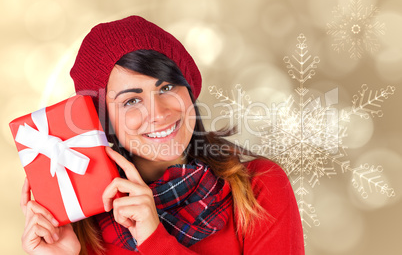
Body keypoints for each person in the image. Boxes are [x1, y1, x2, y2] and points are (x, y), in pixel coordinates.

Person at [20, 15, 304, 254]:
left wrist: (154, 238)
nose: (158, 112)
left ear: (189, 90)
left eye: (167, 88)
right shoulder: (81, 227)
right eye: (131, 101)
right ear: (102, 121)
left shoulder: (258, 189)